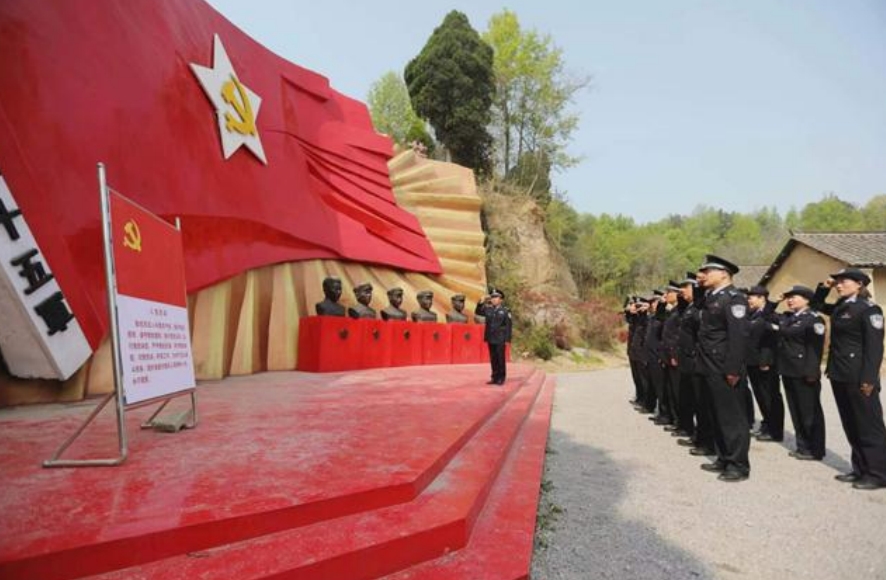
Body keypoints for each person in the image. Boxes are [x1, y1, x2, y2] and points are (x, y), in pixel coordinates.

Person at [813, 268, 886, 490]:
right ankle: (860, 469)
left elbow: (874, 348)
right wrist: (823, 288)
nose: (839, 285)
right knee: (851, 423)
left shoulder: (869, 309)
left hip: (859, 376)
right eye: (837, 282)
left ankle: (878, 473)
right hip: (840, 374)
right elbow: (816, 306)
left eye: (844, 282)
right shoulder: (841, 307)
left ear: (859, 284)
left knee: (869, 426)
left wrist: (869, 379)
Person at [696, 254, 751, 482]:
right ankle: (723, 457)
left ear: (724, 273)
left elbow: (738, 337)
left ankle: (738, 464)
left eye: (708, 271)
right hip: (709, 364)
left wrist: (733, 369)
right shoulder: (711, 297)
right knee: (716, 414)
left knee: (731, 417)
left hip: (724, 366)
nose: (703, 275)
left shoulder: (734, 299)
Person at [774, 285, 826, 461]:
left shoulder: (814, 319)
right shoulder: (789, 318)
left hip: (804, 371)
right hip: (789, 369)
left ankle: (815, 448)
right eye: (788, 297)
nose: (789, 300)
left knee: (809, 412)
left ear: (807, 300)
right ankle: (803, 446)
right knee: (796, 410)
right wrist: (775, 301)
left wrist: (812, 371)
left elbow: (815, 348)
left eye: (794, 297)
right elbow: (767, 315)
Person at [745, 285, 784, 442]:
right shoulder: (753, 314)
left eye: (751, 297)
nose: (749, 300)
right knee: (761, 396)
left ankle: (775, 429)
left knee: (771, 396)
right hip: (752, 362)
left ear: (762, 298)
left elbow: (771, 342)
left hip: (765, 363)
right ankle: (767, 424)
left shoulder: (771, 316)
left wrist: (765, 361)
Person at [475, 288, 512, 385]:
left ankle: (501, 378)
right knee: (493, 358)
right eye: (492, 297)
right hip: (491, 338)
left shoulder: (505, 311)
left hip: (500, 338)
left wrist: (507, 339)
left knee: (500, 358)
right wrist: (481, 302)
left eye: (496, 297)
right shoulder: (488, 309)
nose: (494, 299)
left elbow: (508, 326)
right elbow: (478, 312)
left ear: (501, 299)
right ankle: (494, 377)